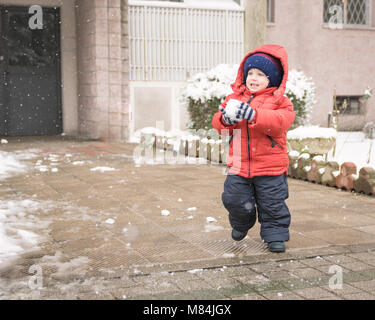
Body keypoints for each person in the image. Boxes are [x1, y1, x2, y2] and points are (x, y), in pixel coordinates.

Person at [211, 44, 295, 253]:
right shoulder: (234, 99)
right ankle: (241, 222)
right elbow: (218, 124)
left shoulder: (281, 103)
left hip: (270, 166)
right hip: (239, 165)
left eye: (260, 74)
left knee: (272, 203)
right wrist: (226, 119)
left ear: (272, 79)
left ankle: (275, 235)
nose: (253, 78)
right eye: (250, 73)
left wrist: (255, 115)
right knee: (233, 198)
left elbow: (280, 123)